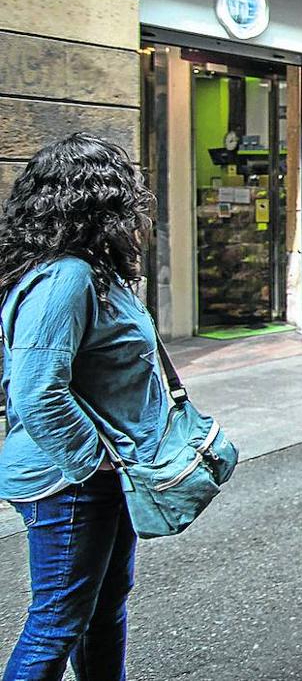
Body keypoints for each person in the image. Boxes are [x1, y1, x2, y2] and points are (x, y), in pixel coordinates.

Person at [0, 134, 160, 680]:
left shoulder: (93, 271)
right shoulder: (66, 277)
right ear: (98, 202)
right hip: (69, 481)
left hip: (99, 474)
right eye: (126, 195)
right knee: (56, 624)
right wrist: (97, 462)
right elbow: (36, 391)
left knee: (103, 607)